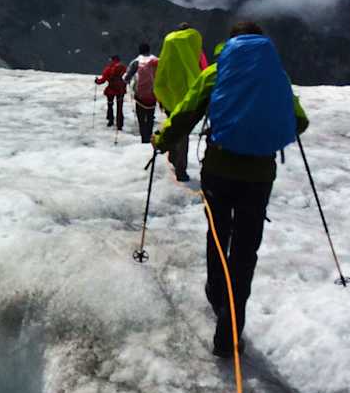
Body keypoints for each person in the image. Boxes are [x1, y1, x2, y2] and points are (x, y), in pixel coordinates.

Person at [152, 21, 309, 358]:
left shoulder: (216, 72)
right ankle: (230, 330)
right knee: (245, 250)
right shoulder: (276, 76)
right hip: (260, 175)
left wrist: (161, 140)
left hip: (218, 170)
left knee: (218, 232)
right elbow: (300, 121)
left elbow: (186, 112)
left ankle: (215, 291)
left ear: (231, 42)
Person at [153, 23, 208, 181]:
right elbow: (203, 72)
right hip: (187, 98)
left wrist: (161, 96)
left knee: (173, 125)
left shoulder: (169, 47)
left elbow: (161, 72)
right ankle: (181, 169)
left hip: (169, 96)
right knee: (183, 132)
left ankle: (172, 154)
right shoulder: (195, 51)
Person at [124, 43, 159, 143]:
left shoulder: (136, 61)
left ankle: (144, 138)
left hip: (140, 96)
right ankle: (149, 136)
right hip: (153, 95)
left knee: (141, 117)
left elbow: (127, 77)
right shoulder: (156, 60)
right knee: (150, 116)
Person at [96, 55, 127, 130]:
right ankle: (120, 124)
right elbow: (127, 78)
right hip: (120, 90)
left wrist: (97, 81)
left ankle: (110, 120)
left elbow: (103, 80)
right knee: (120, 107)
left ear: (112, 60)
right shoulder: (123, 68)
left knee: (110, 104)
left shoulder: (108, 68)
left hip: (111, 90)